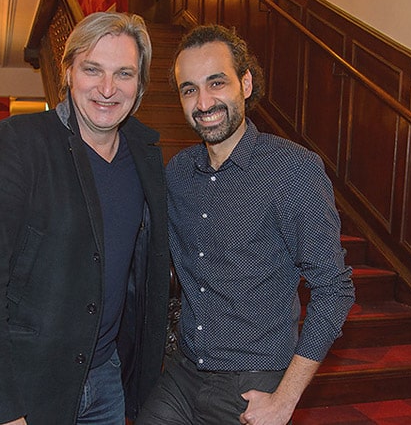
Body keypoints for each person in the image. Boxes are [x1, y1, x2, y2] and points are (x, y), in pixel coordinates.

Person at [0, 12, 171, 424]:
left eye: (123, 74)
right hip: (25, 384)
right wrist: (2, 409)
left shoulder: (146, 158)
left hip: (106, 381)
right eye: (92, 69)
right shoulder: (16, 143)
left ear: (140, 85)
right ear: (67, 72)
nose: (107, 88)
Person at [136, 25, 355, 425]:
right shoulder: (178, 173)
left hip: (254, 383)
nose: (204, 102)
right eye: (189, 89)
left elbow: (334, 289)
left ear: (246, 83)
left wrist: (285, 399)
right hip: (182, 374)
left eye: (216, 83)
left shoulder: (293, 171)